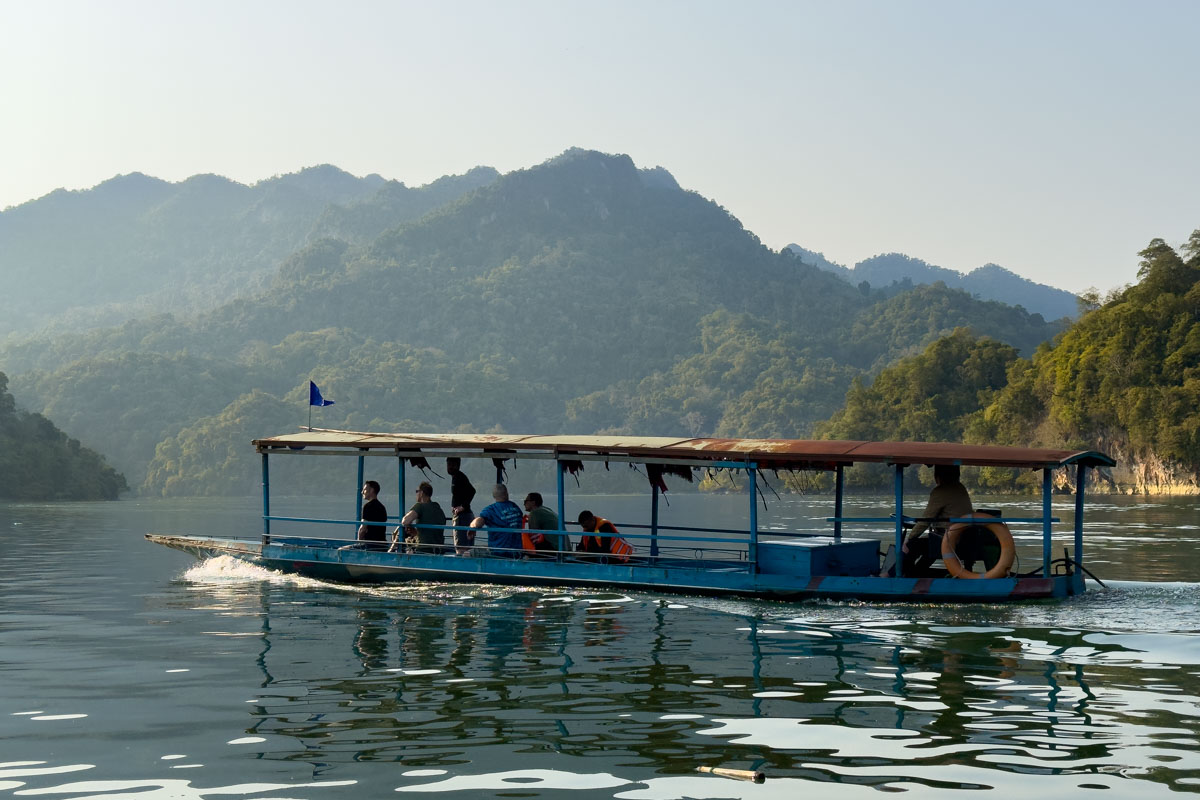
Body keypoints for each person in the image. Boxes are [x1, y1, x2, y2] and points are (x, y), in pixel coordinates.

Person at [901, 464, 973, 575]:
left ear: (937, 476)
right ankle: (917, 573)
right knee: (928, 546)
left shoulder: (941, 491)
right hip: (965, 538)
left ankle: (906, 577)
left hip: (949, 540)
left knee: (911, 546)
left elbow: (926, 520)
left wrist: (909, 538)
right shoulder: (960, 488)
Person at [470, 484, 524, 557]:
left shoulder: (491, 510)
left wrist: (472, 526)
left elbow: (479, 522)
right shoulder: (515, 507)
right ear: (506, 493)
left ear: (494, 496)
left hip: (498, 553)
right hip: (517, 552)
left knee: (466, 554)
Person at [394, 481, 447, 554]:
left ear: (421, 493)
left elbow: (405, 521)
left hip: (424, 548)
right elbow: (431, 528)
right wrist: (415, 531)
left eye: (417, 491)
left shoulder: (420, 506)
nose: (416, 494)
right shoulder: (437, 508)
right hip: (439, 548)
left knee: (400, 530)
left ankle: (390, 552)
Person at [447, 457, 477, 555]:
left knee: (461, 547)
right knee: (464, 546)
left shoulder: (460, 477)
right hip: (462, 516)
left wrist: (462, 507)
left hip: (463, 517)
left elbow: (472, 491)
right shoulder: (455, 477)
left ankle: (462, 563)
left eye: (452, 465)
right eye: (448, 464)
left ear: (458, 465)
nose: (449, 467)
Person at [355, 480, 389, 550]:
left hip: (370, 544)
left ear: (371, 490)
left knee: (341, 550)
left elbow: (363, 529)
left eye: (364, 490)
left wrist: (359, 543)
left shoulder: (367, 506)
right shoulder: (382, 507)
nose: (362, 492)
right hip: (382, 544)